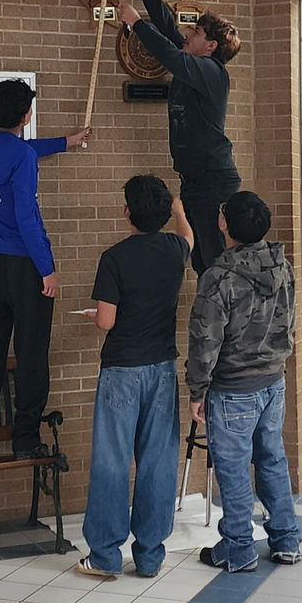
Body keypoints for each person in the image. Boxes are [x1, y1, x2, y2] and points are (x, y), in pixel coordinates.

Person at [0, 78, 90, 466]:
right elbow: (27, 216)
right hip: (25, 267)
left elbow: (22, 149)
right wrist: (47, 270)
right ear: (26, 115)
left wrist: (65, 141)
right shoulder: (19, 156)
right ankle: (25, 439)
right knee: (32, 355)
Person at [77, 175, 193, 579]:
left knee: (112, 459)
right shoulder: (175, 249)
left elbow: (106, 321)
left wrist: (96, 316)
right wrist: (178, 210)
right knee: (158, 461)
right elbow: (189, 237)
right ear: (164, 212)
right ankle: (149, 555)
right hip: (162, 368)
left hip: (121, 369)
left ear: (127, 212)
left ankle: (105, 555)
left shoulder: (115, 257)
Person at [187, 190, 302, 572]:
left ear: (224, 224)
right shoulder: (282, 265)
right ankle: (285, 538)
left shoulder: (218, 277)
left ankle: (238, 546)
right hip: (274, 379)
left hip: (234, 387)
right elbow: (290, 319)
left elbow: (206, 340)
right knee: (272, 458)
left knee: (233, 467)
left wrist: (197, 390)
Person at [118, 0, 241, 275]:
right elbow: (167, 27)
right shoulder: (193, 61)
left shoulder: (211, 72)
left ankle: (225, 324)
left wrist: (135, 22)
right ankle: (212, 322)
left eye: (196, 31)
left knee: (217, 263)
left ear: (211, 45)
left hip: (214, 182)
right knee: (201, 262)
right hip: (195, 180)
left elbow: (170, 54)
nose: (188, 33)